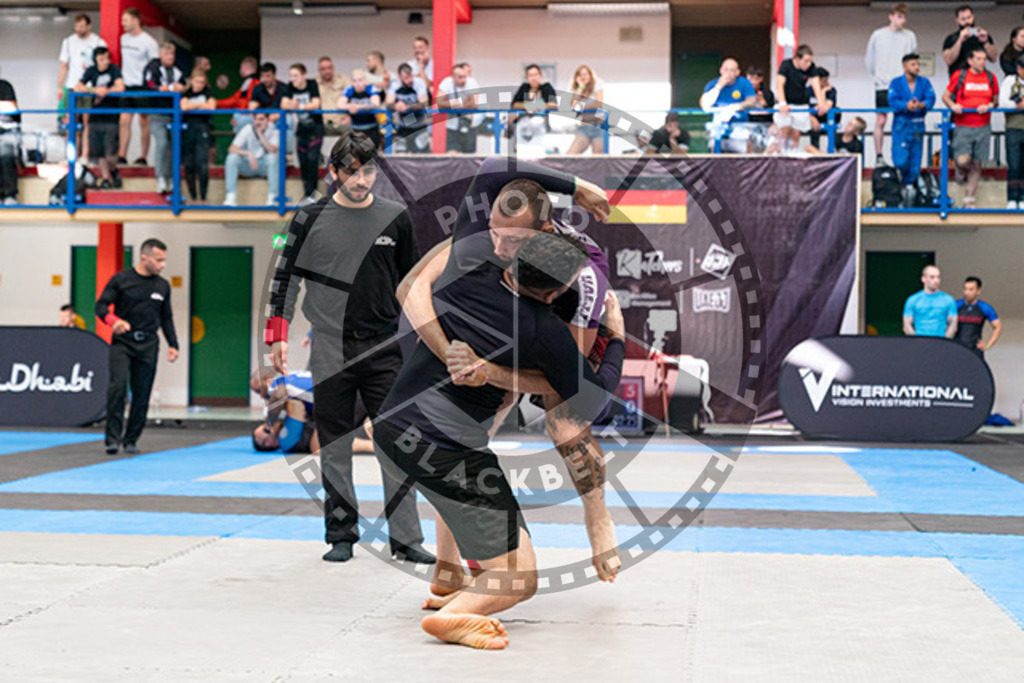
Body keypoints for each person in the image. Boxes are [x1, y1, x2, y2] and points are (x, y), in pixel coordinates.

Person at [376, 232, 626, 650]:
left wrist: (493, 372)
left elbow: (413, 285)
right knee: (519, 578)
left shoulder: (465, 278)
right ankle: (452, 617)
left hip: (390, 430)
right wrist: (616, 336)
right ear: (556, 293)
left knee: (465, 497)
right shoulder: (545, 331)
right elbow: (594, 402)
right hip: (444, 452)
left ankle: (449, 577)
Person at [397, 157, 621, 585]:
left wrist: (495, 374)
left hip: (558, 317)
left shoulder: (582, 277)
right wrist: (576, 184)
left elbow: (575, 387)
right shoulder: (486, 241)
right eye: (495, 234)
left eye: (513, 241)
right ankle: (448, 565)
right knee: (461, 429)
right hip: (510, 306)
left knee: (564, 421)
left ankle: (597, 515)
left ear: (545, 232)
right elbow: (494, 165)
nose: (499, 247)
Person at [265, 131, 431, 565]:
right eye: (352, 172)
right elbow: (286, 280)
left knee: (396, 443)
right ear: (334, 172)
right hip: (330, 345)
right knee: (335, 445)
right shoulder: (309, 219)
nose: (361, 180)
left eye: (369, 171)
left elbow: (413, 282)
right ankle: (341, 534)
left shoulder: (395, 217)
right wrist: (276, 334)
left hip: (384, 346)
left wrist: (428, 335)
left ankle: (406, 538)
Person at [95, 238, 179, 455]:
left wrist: (173, 344)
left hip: (148, 344)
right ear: (144, 257)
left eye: (164, 260)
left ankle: (131, 439)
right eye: (158, 260)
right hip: (123, 342)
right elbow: (100, 306)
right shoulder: (121, 280)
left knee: (142, 393)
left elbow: (166, 317)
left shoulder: (162, 286)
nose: (162, 265)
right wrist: (113, 321)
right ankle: (112, 439)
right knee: (117, 387)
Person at [941, 46, 998, 208]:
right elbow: (945, 96)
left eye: (984, 59)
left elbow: (995, 100)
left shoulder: (991, 77)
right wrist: (953, 105)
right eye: (978, 59)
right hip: (963, 125)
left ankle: (969, 199)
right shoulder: (960, 76)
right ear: (970, 61)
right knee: (963, 160)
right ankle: (960, 170)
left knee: (977, 163)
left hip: (983, 125)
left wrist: (989, 105)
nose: (982, 62)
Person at [865, 4, 916, 165]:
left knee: (903, 121)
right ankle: (879, 156)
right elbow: (869, 60)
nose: (903, 20)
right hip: (883, 85)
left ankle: (902, 156)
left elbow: (912, 61)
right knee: (881, 120)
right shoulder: (878, 35)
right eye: (899, 16)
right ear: (891, 16)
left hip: (902, 86)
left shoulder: (909, 36)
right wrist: (878, 78)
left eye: (904, 17)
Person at [56, 14, 106, 158]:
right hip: (72, 87)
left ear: (89, 26)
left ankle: (85, 155)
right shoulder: (68, 42)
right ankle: (71, 156)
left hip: (90, 88)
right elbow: (63, 65)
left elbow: (104, 65)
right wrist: (60, 86)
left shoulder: (98, 42)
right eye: (77, 26)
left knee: (87, 123)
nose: (79, 29)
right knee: (71, 124)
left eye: (82, 26)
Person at [76, 47, 124, 189]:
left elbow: (121, 87)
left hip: (111, 115)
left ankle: (113, 170)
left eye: (107, 58)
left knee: (111, 151)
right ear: (96, 60)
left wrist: (106, 91)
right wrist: (94, 90)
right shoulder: (91, 71)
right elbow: (78, 86)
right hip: (96, 115)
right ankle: (106, 177)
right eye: (101, 59)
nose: (105, 62)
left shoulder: (114, 69)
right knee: (99, 151)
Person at [889, 53, 935, 195]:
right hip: (901, 126)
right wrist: (906, 105)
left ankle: (909, 188)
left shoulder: (925, 82)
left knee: (915, 160)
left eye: (918, 64)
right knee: (900, 160)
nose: (917, 67)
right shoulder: (896, 83)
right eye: (913, 65)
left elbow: (931, 98)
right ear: (905, 66)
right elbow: (892, 101)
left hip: (917, 125)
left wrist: (922, 105)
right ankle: (902, 180)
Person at [117, 7, 159, 166]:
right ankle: (122, 154)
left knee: (143, 121)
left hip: (142, 86)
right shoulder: (123, 39)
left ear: (135, 21)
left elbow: (154, 67)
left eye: (125, 20)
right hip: (127, 85)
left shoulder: (149, 42)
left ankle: (143, 156)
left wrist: (150, 85)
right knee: (124, 120)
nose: (123, 24)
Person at [143, 42, 186, 194]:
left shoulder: (177, 70)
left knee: (173, 146)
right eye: (167, 54)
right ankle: (160, 177)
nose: (170, 57)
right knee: (162, 143)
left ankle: (172, 178)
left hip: (173, 114)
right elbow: (150, 86)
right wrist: (169, 89)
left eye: (172, 54)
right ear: (160, 55)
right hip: (157, 113)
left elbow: (184, 87)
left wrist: (180, 88)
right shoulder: (153, 67)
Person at [774, 45, 827, 152]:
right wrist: (782, 103)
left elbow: (816, 85)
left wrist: (821, 103)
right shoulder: (786, 65)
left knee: (796, 133)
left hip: (800, 104)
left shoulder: (811, 67)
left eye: (810, 61)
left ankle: (792, 154)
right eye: (806, 61)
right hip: (786, 103)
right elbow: (779, 84)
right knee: (784, 129)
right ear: (797, 58)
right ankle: (778, 154)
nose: (808, 64)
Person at [282, 63, 323, 199]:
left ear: (304, 76)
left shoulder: (312, 84)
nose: (293, 79)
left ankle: (312, 194)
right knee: (303, 162)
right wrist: (291, 105)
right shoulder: (289, 86)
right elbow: (283, 104)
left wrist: (298, 106)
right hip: (302, 129)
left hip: (315, 127)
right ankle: (307, 194)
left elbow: (315, 104)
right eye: (291, 76)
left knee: (312, 160)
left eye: (296, 76)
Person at [223, 111, 280, 207]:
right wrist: (248, 153)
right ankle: (230, 197)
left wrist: (260, 134)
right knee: (232, 158)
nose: (258, 122)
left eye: (261, 119)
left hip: (264, 167)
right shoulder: (248, 128)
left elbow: (272, 150)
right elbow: (231, 149)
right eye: (256, 119)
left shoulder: (274, 130)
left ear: (268, 120)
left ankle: (272, 197)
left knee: (272, 158)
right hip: (249, 165)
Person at [700, 57, 757, 153]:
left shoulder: (744, 83)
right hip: (718, 127)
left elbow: (752, 101)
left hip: (740, 128)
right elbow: (704, 104)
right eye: (726, 70)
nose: (728, 73)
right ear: (721, 70)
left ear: (737, 72)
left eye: (732, 70)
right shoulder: (712, 84)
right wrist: (718, 87)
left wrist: (735, 107)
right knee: (715, 153)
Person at [180, 69, 215, 204]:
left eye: (202, 82)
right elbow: (184, 107)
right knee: (189, 165)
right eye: (197, 82)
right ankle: (193, 197)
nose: (199, 85)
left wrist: (193, 106)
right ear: (191, 81)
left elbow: (211, 107)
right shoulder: (186, 93)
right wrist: (201, 105)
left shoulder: (208, 92)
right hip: (188, 129)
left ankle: (203, 197)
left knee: (202, 164)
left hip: (203, 128)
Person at [943, 5, 998, 78]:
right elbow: (948, 61)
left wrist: (985, 42)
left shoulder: (982, 36)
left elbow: (994, 58)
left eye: (969, 18)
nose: (967, 22)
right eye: (963, 19)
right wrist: (960, 41)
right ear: (957, 20)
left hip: (979, 78)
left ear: (973, 17)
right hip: (958, 79)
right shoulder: (951, 38)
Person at [903, 265, 958, 338]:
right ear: (923, 279)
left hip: (941, 341)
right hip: (919, 341)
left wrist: (945, 341)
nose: (936, 280)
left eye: (938, 277)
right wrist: (916, 341)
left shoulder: (949, 300)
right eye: (932, 277)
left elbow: (953, 325)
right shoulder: (912, 300)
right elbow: (907, 326)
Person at [386, 63, 429, 153]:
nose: (410, 80)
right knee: (400, 155)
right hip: (403, 126)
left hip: (419, 126)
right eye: (406, 78)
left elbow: (424, 103)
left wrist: (407, 107)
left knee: (422, 157)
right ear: (399, 78)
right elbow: (388, 104)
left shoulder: (419, 82)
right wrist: (396, 106)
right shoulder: (394, 84)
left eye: (411, 76)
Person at [436, 64, 479, 154]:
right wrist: (459, 103)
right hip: (452, 125)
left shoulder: (471, 82)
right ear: (453, 77)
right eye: (460, 77)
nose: (463, 80)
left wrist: (451, 104)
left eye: (464, 76)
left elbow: (474, 104)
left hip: (469, 123)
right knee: (451, 155)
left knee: (469, 156)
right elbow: (439, 103)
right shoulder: (447, 82)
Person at [955, 277, 1001, 358]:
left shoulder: (985, 308)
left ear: (978, 291)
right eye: (965, 289)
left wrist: (987, 346)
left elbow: (998, 327)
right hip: (957, 348)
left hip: (975, 350)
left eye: (971, 289)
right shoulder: (955, 305)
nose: (967, 292)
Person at [1000, 56, 1024, 209]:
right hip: (1013, 128)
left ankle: (1022, 198)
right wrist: (1018, 106)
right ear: (1019, 69)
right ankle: (1012, 198)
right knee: (1014, 165)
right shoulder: (1010, 81)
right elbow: (1003, 102)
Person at [511, 65, 557, 143]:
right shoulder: (524, 88)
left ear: (540, 75)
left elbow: (554, 105)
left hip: (541, 125)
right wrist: (526, 106)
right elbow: (514, 104)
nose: (533, 78)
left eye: (535, 74)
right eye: (530, 75)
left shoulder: (547, 87)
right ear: (527, 77)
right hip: (523, 126)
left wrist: (538, 106)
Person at [566, 64, 606, 155]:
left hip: (599, 126)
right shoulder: (577, 89)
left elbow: (598, 104)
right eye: (580, 75)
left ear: (590, 76)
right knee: (571, 154)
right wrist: (581, 86)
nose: (583, 77)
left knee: (598, 158)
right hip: (585, 127)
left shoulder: (597, 84)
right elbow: (573, 105)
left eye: (585, 74)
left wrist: (581, 109)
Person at [338, 70, 382, 148]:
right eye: (354, 81)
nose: (357, 83)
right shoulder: (349, 89)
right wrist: (349, 106)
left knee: (372, 153)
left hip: (371, 129)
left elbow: (376, 104)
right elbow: (339, 104)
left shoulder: (371, 88)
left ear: (365, 81)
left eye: (360, 80)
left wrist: (356, 106)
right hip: (355, 129)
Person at [217, 56, 260, 133]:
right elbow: (235, 100)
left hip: (247, 120)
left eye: (241, 67)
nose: (240, 70)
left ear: (245, 67)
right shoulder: (249, 83)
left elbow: (239, 101)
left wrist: (238, 116)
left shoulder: (253, 83)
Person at [316, 57, 350, 136]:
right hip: (323, 122)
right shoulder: (314, 83)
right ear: (319, 71)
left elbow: (355, 97)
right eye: (323, 69)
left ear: (333, 68)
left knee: (358, 134)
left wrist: (350, 117)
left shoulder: (343, 80)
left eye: (329, 68)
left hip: (343, 121)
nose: (327, 71)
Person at [808, 68, 839, 149]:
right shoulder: (808, 91)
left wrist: (823, 92)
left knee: (836, 112)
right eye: (824, 81)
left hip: (827, 117)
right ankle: (815, 152)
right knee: (814, 128)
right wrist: (811, 117)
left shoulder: (831, 90)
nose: (827, 83)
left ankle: (832, 151)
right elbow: (807, 108)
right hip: (813, 118)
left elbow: (825, 108)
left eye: (827, 80)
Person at [0, 76, 19, 205]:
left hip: (6, 131)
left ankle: (9, 195)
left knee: (6, 152)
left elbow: (12, 108)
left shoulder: (5, 87)